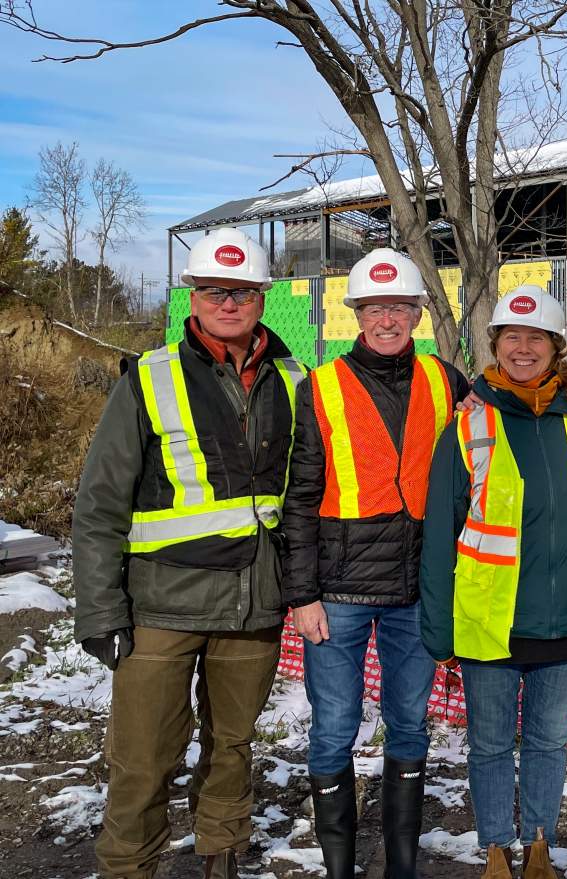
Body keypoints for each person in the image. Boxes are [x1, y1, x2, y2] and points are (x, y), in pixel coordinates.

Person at [72, 227, 307, 879]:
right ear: (192, 297)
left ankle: (220, 860)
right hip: (160, 608)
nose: (227, 303)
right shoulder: (149, 378)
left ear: (262, 296)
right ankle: (129, 867)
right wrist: (99, 611)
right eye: (212, 291)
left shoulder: (295, 378)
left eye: (240, 291)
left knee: (232, 748)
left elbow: (310, 493)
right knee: (143, 756)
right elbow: (98, 505)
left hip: (254, 606)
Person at [281, 248, 469, 879]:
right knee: (334, 726)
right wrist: (300, 595)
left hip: (417, 590)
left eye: (398, 306)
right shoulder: (322, 386)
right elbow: (300, 497)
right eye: (374, 308)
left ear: (417, 311)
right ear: (355, 314)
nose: (387, 319)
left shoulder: (447, 380)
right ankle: (339, 868)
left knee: (409, 725)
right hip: (337, 593)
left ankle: (402, 865)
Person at [420, 286, 567, 879]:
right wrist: (438, 626)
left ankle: (540, 847)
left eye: (537, 338)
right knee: (493, 746)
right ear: (496, 346)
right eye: (512, 337)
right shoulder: (469, 423)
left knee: (551, 745)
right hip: (489, 621)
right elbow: (439, 529)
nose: (524, 349)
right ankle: (498, 848)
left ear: (557, 348)